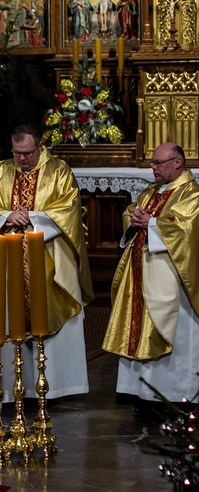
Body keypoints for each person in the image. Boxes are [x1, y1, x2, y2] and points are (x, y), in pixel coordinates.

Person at [0, 124, 94, 399]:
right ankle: (13, 390)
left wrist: (31, 218)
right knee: (10, 315)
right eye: (17, 153)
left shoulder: (59, 171)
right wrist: (7, 216)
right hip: (10, 257)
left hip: (50, 257)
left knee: (51, 310)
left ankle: (58, 388)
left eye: (28, 153)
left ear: (40, 147)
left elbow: (68, 207)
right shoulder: (2, 170)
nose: (22, 159)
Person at [102, 142, 199, 403]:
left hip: (172, 279)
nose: (153, 168)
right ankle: (140, 393)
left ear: (178, 163)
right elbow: (131, 213)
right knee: (137, 330)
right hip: (140, 274)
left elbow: (188, 230)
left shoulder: (191, 194)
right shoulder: (149, 192)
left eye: (159, 163)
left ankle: (176, 396)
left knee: (172, 334)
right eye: (152, 163)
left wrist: (152, 223)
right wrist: (132, 219)